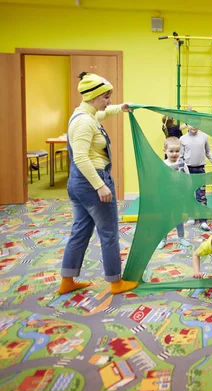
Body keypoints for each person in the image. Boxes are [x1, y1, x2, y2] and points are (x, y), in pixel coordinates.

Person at [59, 71, 138, 295]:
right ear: (94, 97)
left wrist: (120, 107)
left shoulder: (84, 114)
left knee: (81, 230)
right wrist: (100, 186)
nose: (108, 101)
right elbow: (80, 157)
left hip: (78, 183)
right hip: (92, 182)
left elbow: (103, 115)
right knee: (109, 233)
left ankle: (67, 281)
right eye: (106, 97)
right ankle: (115, 282)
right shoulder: (85, 122)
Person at [179, 120, 212, 231]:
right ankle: (191, 216)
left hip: (200, 170)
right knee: (188, 195)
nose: (194, 125)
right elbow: (180, 157)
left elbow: (208, 152)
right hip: (187, 170)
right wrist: (181, 169)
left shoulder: (203, 137)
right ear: (187, 124)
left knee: (201, 195)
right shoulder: (182, 139)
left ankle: (203, 220)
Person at [158, 137, 192, 249]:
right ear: (165, 150)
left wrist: (188, 189)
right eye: (171, 151)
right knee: (165, 218)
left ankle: (181, 238)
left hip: (179, 196)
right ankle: (163, 239)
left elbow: (188, 179)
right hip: (166, 197)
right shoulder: (163, 165)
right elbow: (159, 180)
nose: (174, 154)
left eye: (177, 151)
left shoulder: (182, 164)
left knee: (178, 218)